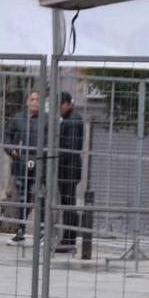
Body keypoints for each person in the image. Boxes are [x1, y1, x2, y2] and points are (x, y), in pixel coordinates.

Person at [3, 90, 45, 243]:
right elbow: (6, 136)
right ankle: (20, 229)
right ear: (27, 101)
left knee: (40, 195)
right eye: (32, 99)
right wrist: (11, 149)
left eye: (38, 99)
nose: (35, 102)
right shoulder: (18, 119)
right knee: (23, 197)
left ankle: (42, 228)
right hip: (21, 164)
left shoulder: (45, 120)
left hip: (40, 164)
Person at [53, 91, 86, 254]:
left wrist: (57, 160)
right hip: (67, 167)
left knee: (69, 204)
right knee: (67, 203)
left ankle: (68, 238)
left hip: (69, 168)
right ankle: (67, 237)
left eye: (59, 105)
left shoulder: (72, 120)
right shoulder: (68, 118)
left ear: (66, 104)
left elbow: (69, 147)